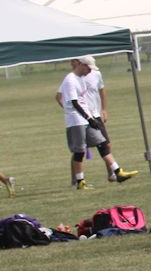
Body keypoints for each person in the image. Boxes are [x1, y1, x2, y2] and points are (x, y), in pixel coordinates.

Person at [56, 56, 136, 189]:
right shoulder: (70, 79)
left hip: (87, 117)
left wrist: (92, 117)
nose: (90, 71)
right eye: (88, 68)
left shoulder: (81, 78)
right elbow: (74, 103)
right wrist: (88, 118)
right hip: (76, 120)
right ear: (81, 65)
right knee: (79, 151)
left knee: (103, 143)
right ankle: (79, 181)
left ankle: (118, 172)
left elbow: (84, 100)